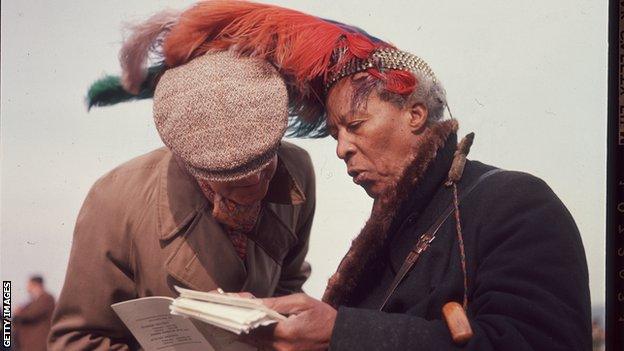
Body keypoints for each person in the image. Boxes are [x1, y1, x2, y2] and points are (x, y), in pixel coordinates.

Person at [155, 1, 592, 350]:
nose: (342, 148)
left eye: (356, 125)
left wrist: (340, 332)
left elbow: (537, 342)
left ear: (415, 114)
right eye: (334, 134)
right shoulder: (396, 230)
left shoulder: (516, 202)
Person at [48, 8, 317, 350]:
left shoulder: (298, 171)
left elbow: (288, 281)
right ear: (187, 162)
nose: (257, 182)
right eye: (230, 177)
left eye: (265, 162)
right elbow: (76, 340)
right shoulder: (113, 199)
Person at [12, 275, 55, 351]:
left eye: (29, 285)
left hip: (37, 345)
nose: (27, 288)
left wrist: (19, 313)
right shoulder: (33, 302)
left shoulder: (47, 298)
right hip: (28, 345)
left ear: (36, 285)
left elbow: (30, 314)